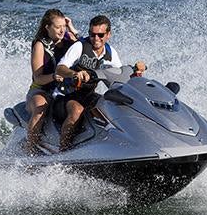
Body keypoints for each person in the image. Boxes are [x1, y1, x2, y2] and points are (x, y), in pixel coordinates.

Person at [54, 14, 146, 151]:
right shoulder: (79, 47)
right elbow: (60, 68)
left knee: (112, 107)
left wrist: (136, 73)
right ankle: (63, 151)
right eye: (92, 34)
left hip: (88, 94)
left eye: (100, 35)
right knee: (77, 111)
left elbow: (119, 76)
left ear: (108, 35)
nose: (96, 38)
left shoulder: (110, 52)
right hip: (65, 95)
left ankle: (126, 145)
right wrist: (74, 74)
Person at [24, 8, 79, 153]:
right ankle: (30, 150)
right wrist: (53, 76)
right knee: (40, 109)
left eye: (64, 26)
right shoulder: (40, 45)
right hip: (41, 90)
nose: (62, 30)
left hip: (64, 89)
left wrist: (72, 29)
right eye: (58, 27)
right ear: (47, 27)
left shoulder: (69, 38)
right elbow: (38, 78)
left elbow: (85, 48)